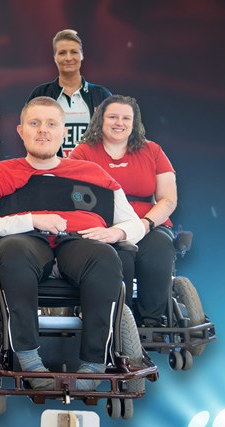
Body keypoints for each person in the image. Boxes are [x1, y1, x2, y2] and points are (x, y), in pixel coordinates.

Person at [0, 97, 145, 391]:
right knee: (13, 251)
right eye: (35, 124)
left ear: (64, 132)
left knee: (106, 257)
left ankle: (94, 364)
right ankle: (30, 361)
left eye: (51, 124)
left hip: (79, 243)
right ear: (21, 131)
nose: (43, 131)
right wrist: (32, 220)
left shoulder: (94, 175)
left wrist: (117, 233)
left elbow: (135, 224)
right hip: (26, 243)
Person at [70, 95, 177, 326]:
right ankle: (118, 321)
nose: (119, 122)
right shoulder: (83, 153)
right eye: (113, 117)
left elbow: (168, 199)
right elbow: (72, 197)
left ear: (134, 122)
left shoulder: (153, 150)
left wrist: (146, 224)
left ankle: (151, 321)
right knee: (121, 260)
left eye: (126, 118)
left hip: (148, 222)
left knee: (158, 254)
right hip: (103, 225)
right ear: (100, 120)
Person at [27, 29, 113, 157]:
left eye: (74, 52)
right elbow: (29, 134)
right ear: (54, 57)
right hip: (51, 172)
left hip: (91, 172)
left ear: (82, 55)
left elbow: (114, 136)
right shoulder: (40, 94)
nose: (68, 58)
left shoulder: (101, 95)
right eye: (62, 53)